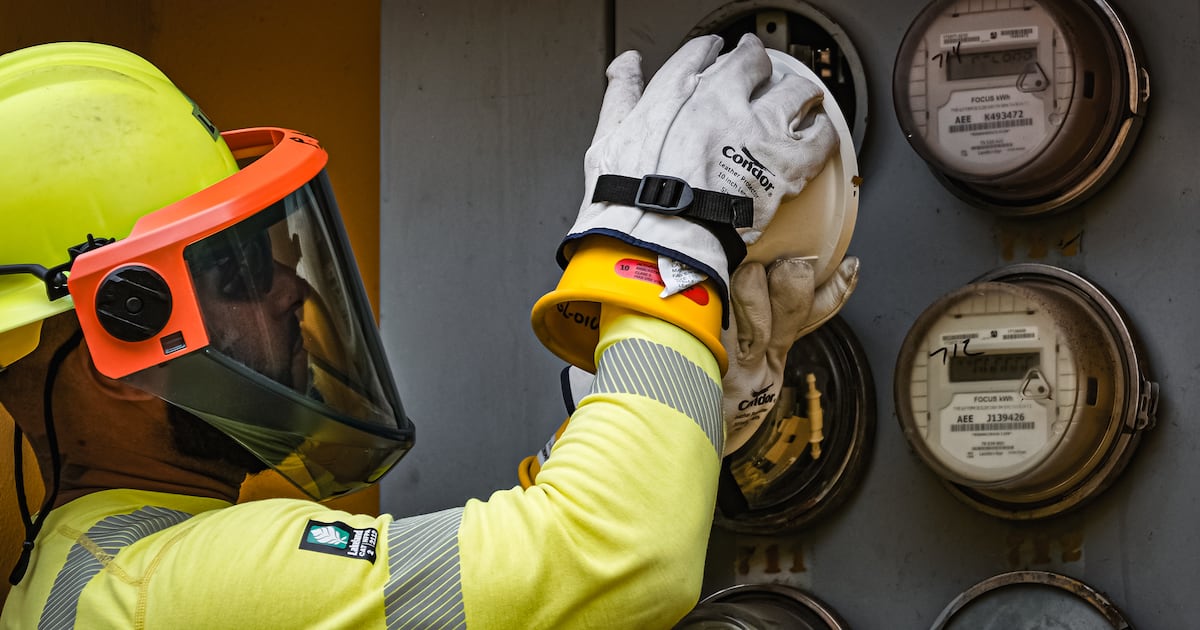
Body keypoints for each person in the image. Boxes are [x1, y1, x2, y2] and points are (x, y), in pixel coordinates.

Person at [0, 34, 853, 629]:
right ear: (119, 356)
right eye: (240, 271)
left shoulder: (100, 576)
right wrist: (663, 241)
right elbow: (610, 558)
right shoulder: (161, 593)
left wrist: (659, 405)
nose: (292, 288)